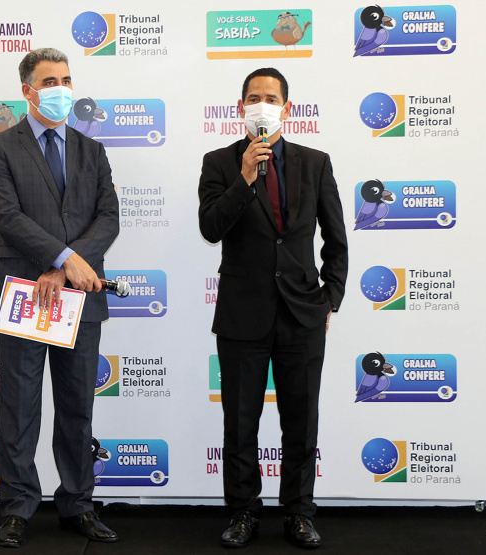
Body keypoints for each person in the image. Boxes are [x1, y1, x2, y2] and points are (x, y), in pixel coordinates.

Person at [198, 68, 348, 549]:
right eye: (253, 97)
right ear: (241, 107)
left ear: (287, 107)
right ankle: (243, 512)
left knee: (300, 422)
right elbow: (210, 228)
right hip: (243, 315)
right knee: (239, 423)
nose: (261, 104)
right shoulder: (219, 162)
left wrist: (332, 297)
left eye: (271, 97)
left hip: (303, 314)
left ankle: (299, 512)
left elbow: (336, 239)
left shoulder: (315, 162)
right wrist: (244, 178)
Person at [0, 47, 120, 548]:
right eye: (49, 81)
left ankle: (78, 503)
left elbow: (108, 217)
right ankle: (17, 507)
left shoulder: (91, 149)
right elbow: (8, 216)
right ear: (27, 91)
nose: (61, 88)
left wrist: (70, 266)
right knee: (19, 407)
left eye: (66, 79)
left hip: (77, 296)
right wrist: (63, 259)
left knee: (78, 405)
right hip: (26, 293)